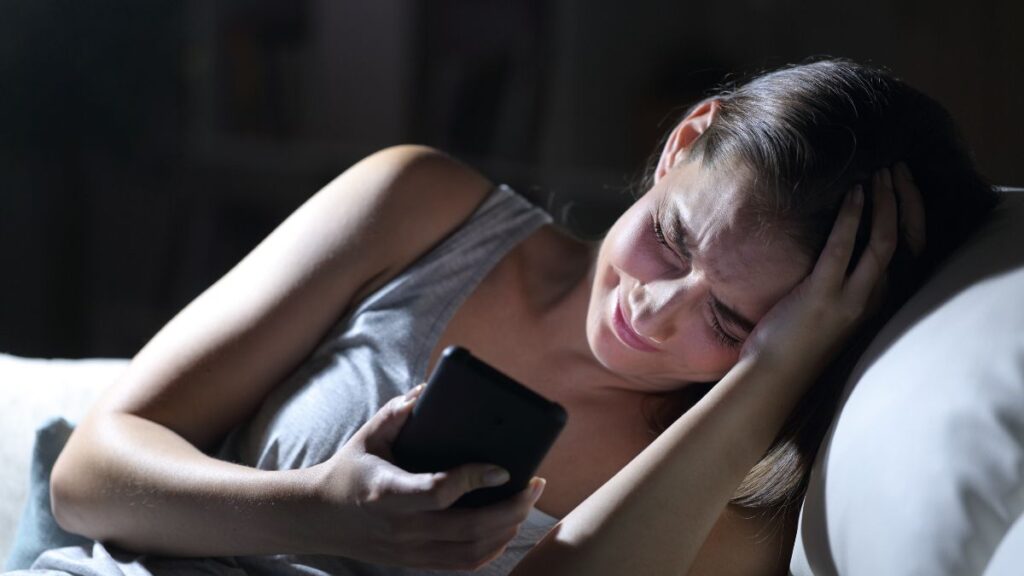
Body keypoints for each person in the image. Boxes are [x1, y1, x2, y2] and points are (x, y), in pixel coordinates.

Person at [23, 58, 997, 576]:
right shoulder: (420, 205)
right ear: (681, 143)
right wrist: (322, 511)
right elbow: (87, 477)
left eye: (735, 323)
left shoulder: (742, 480)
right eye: (673, 239)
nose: (652, 312)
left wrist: (768, 377)